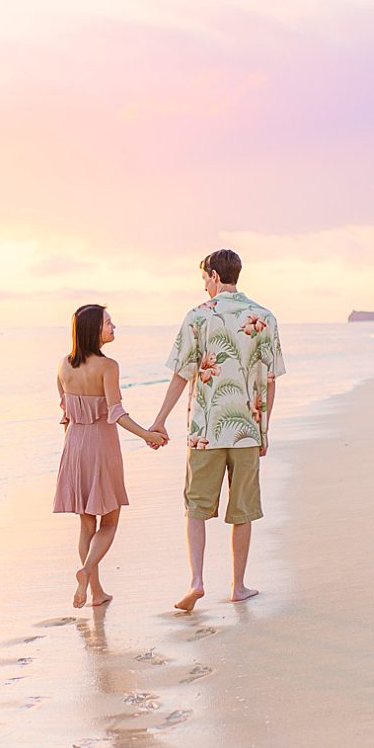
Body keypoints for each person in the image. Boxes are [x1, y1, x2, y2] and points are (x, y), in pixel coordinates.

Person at [150, 249, 285, 613]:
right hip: (247, 430)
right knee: (242, 511)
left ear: (212, 275)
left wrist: (160, 419)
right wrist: (265, 429)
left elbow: (182, 374)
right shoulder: (264, 317)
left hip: (205, 431)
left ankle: (196, 581)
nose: (204, 287)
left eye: (204, 279)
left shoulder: (197, 316)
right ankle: (238, 586)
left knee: (196, 508)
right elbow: (270, 381)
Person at [54, 304, 168, 608]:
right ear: (94, 330)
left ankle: (96, 591)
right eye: (108, 323)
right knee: (110, 520)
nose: (114, 326)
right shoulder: (108, 366)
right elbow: (116, 412)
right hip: (101, 447)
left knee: (86, 523)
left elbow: (65, 414)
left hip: (74, 447)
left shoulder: (63, 365)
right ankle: (87, 571)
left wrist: (73, 455)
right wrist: (147, 435)